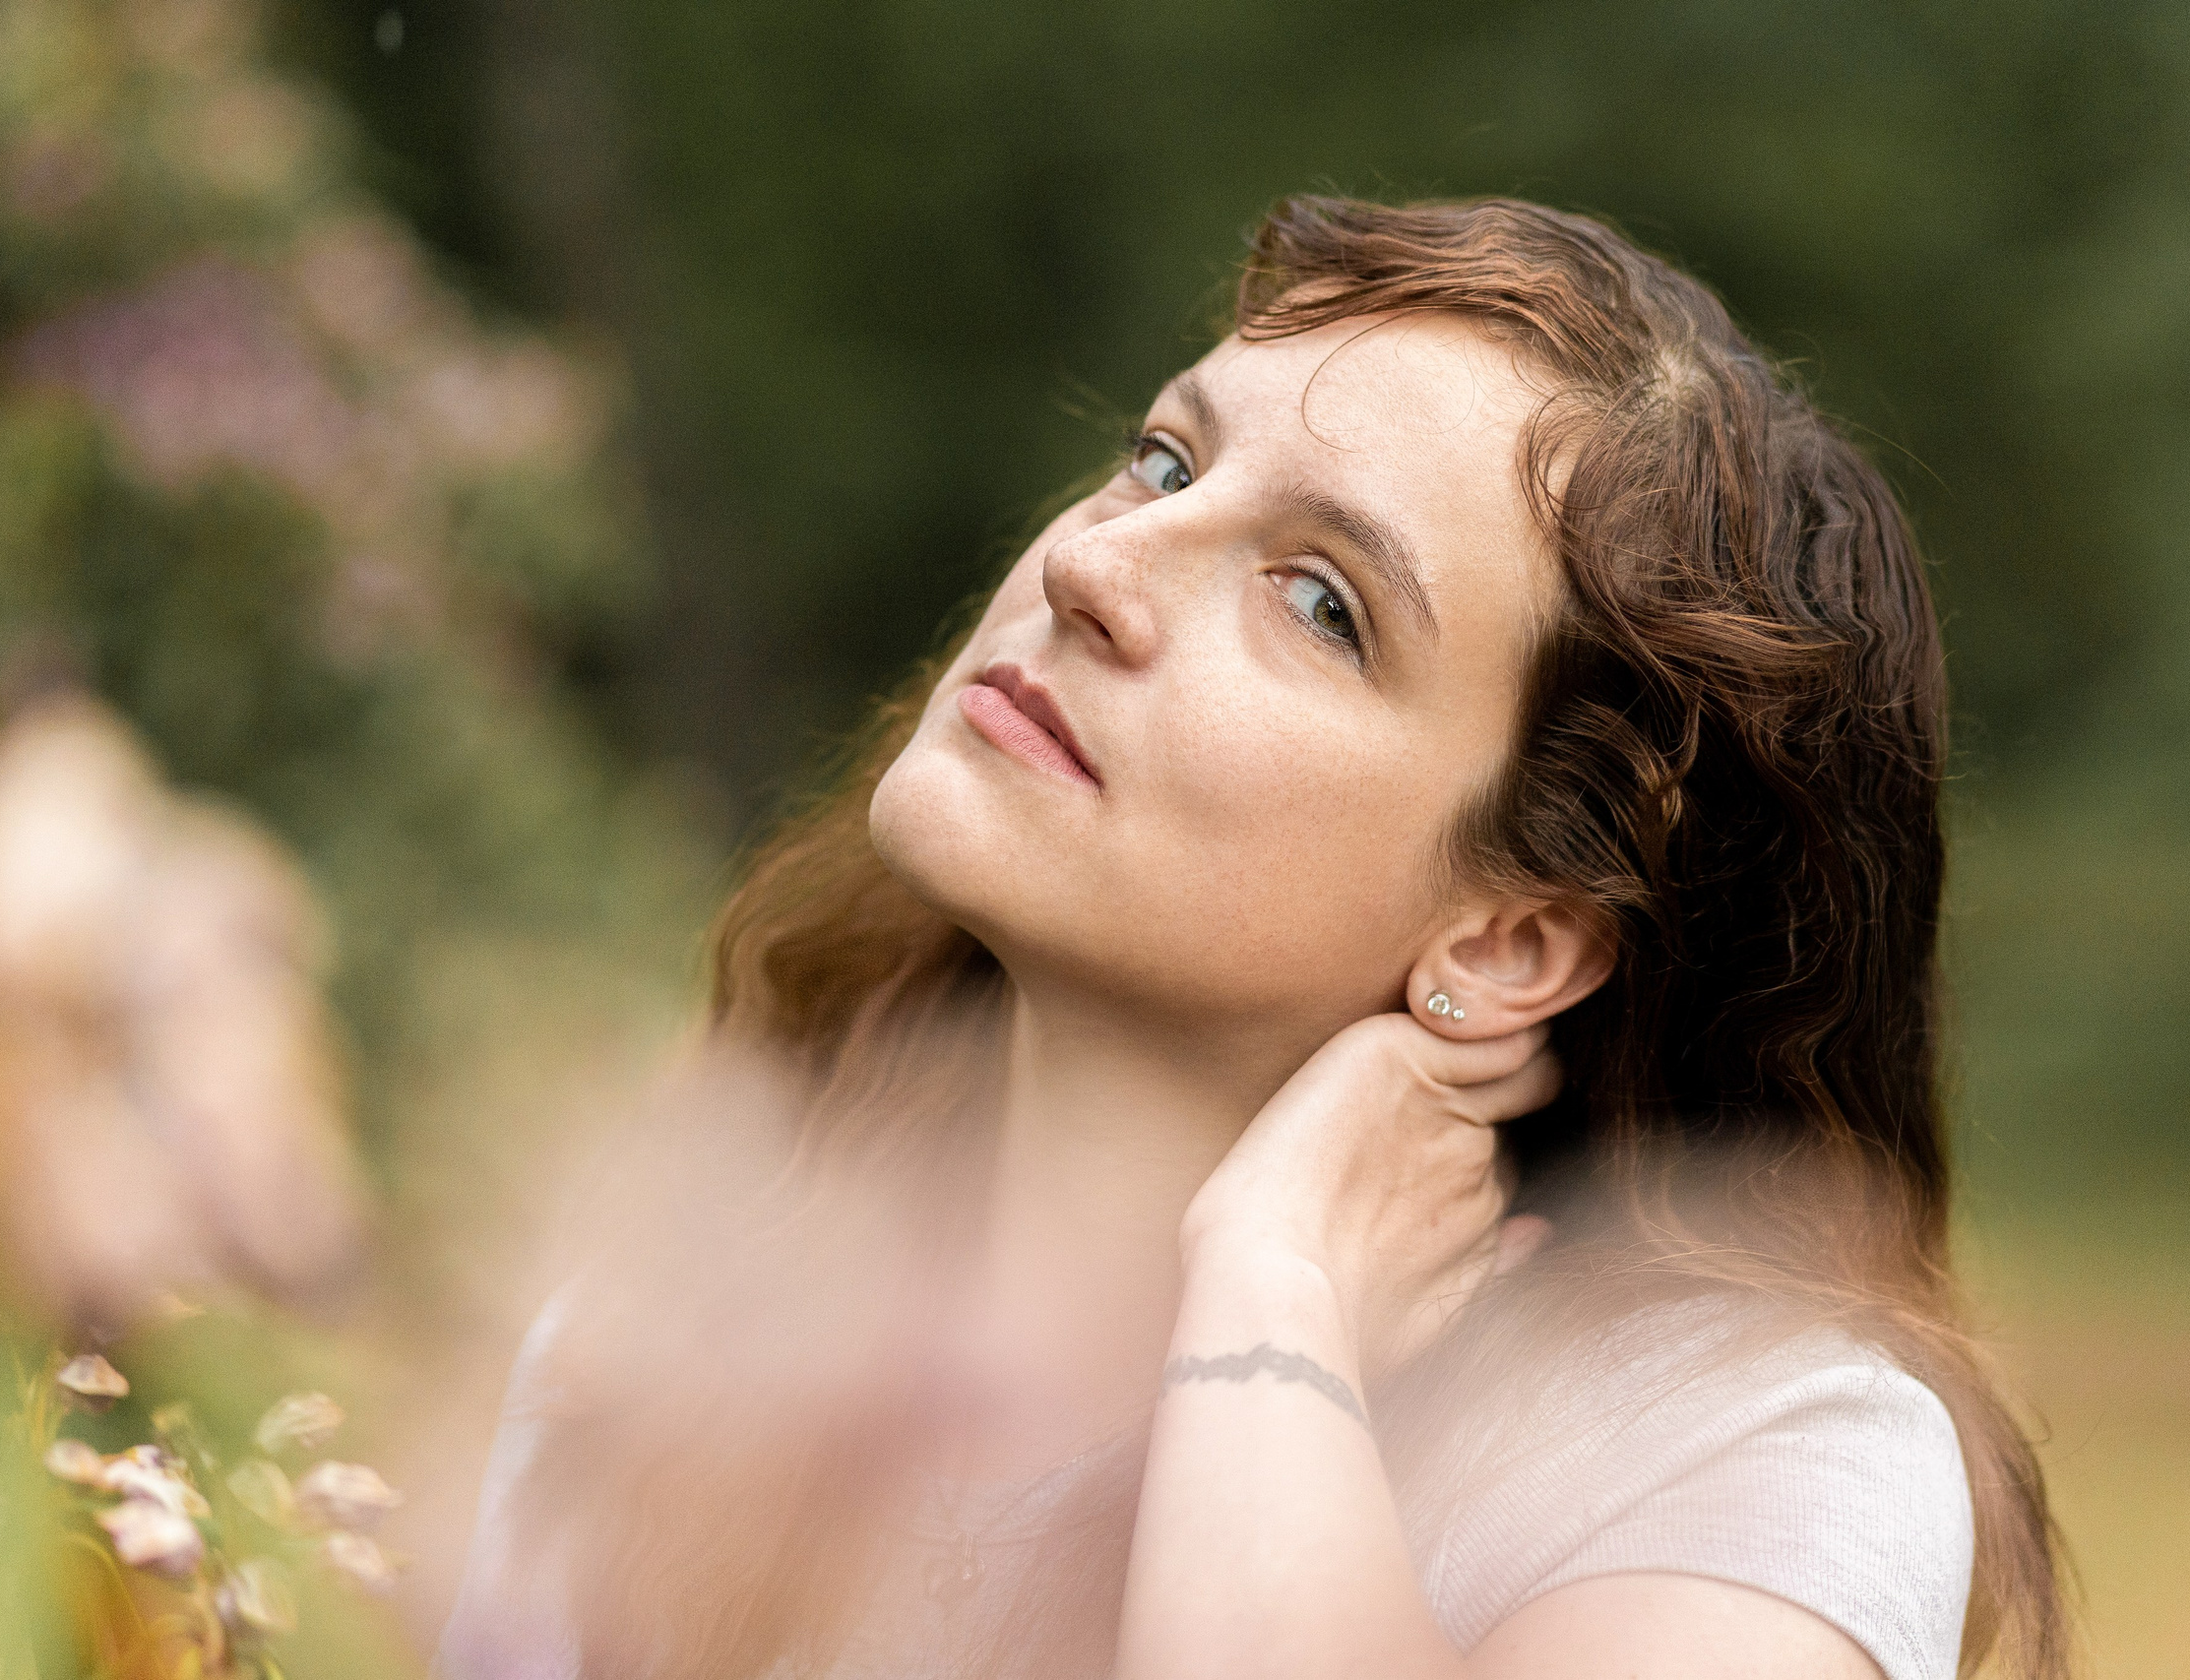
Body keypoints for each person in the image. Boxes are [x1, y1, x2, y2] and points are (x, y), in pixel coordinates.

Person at [437, 196, 2068, 1680]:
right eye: (1164, 462)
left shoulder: (1737, 1462)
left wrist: (1270, 1301)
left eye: (1320, 603)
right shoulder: (687, 1330)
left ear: (1511, 937)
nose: (1091, 563)